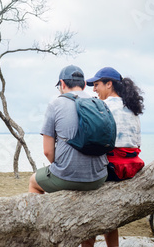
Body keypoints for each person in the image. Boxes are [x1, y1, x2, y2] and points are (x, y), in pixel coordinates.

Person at [80, 66, 145, 247]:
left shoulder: (103, 107)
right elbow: (137, 143)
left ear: (109, 84)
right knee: (109, 217)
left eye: (97, 84)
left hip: (112, 168)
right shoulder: (132, 108)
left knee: (88, 214)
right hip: (131, 167)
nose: (93, 89)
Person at [28, 65, 108, 195]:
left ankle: (39, 216)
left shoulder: (55, 105)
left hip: (67, 177)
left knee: (33, 182)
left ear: (62, 83)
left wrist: (63, 169)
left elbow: (47, 151)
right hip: (99, 177)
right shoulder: (99, 104)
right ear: (84, 85)